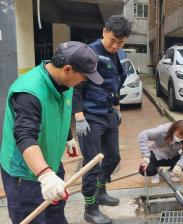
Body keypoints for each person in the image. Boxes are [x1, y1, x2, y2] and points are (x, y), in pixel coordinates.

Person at [0, 41, 103, 224]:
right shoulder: (29, 92)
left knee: (56, 218)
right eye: (84, 76)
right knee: (32, 218)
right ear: (67, 69)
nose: (84, 81)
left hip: (52, 165)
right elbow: (25, 136)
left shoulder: (66, 84)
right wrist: (46, 175)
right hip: (27, 174)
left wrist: (68, 137)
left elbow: (58, 112)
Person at [72, 15, 131, 224]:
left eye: (121, 42)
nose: (115, 46)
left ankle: (101, 191)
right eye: (113, 40)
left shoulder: (120, 54)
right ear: (104, 32)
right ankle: (90, 208)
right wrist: (79, 117)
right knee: (91, 164)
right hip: (90, 116)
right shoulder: (89, 53)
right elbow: (76, 86)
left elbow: (116, 84)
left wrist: (117, 107)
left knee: (113, 157)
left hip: (108, 114)